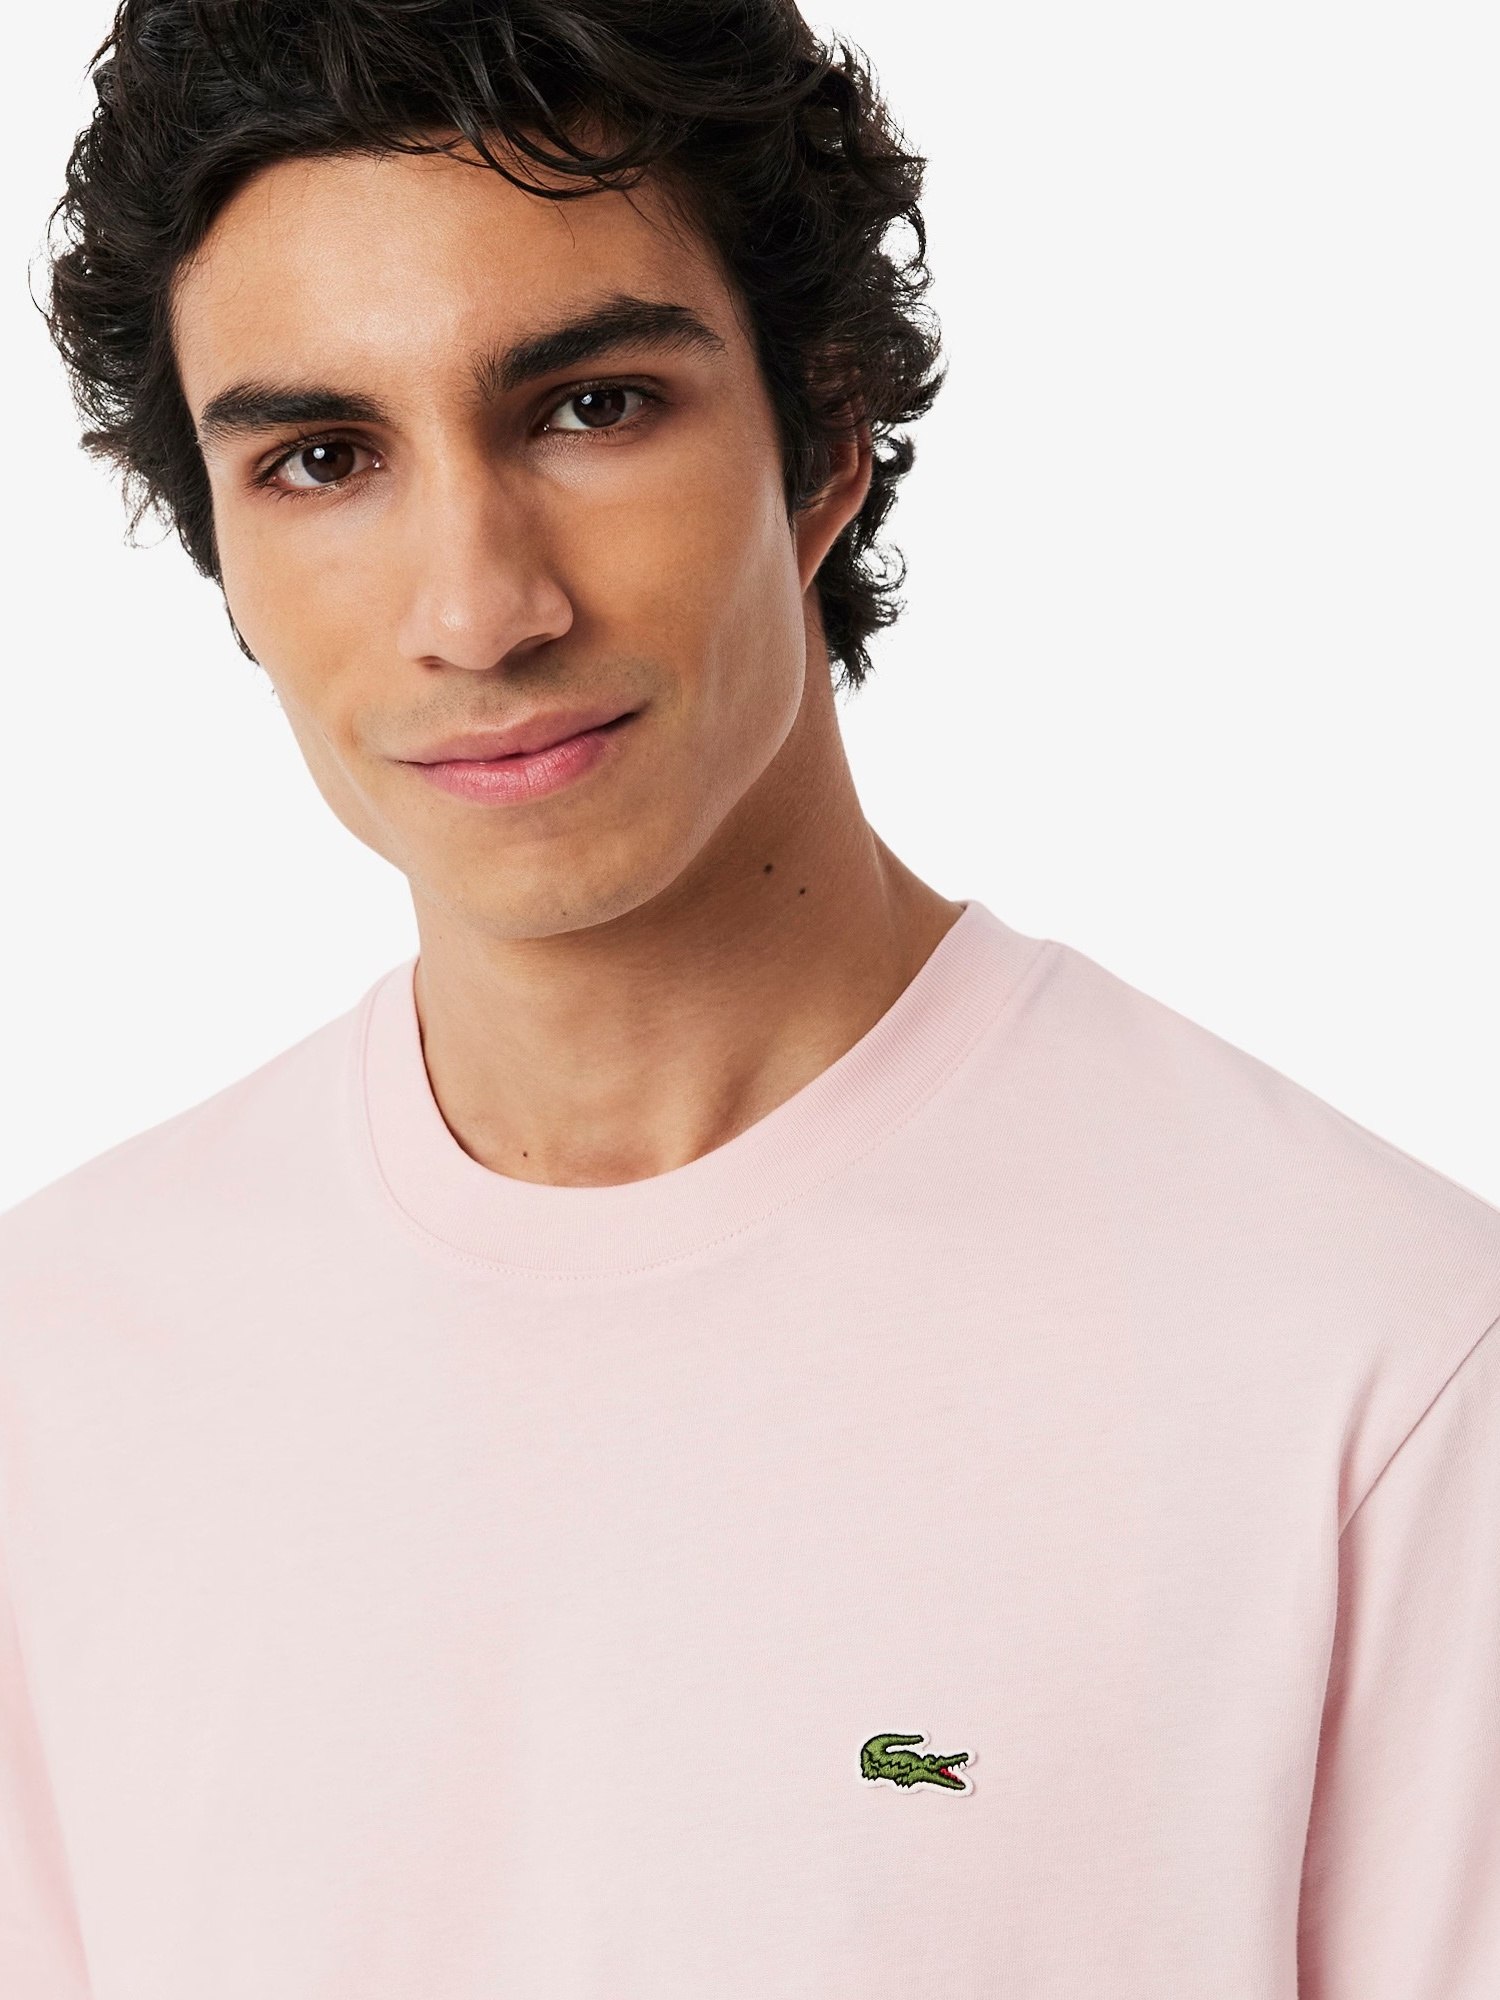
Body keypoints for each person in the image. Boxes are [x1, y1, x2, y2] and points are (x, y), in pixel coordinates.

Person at [3, 1, 1497, 1993]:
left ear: (827, 441)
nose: (479, 609)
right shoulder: (59, 1380)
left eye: (592, 406)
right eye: (324, 458)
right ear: (222, 553)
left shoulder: (1372, 1360)